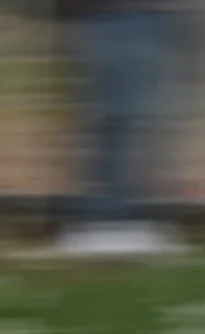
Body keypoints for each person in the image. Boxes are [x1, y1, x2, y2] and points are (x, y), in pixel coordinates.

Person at [56, 0, 184, 255]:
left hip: (144, 14)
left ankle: (123, 214)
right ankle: (105, 220)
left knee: (131, 119)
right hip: (118, 13)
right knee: (118, 118)